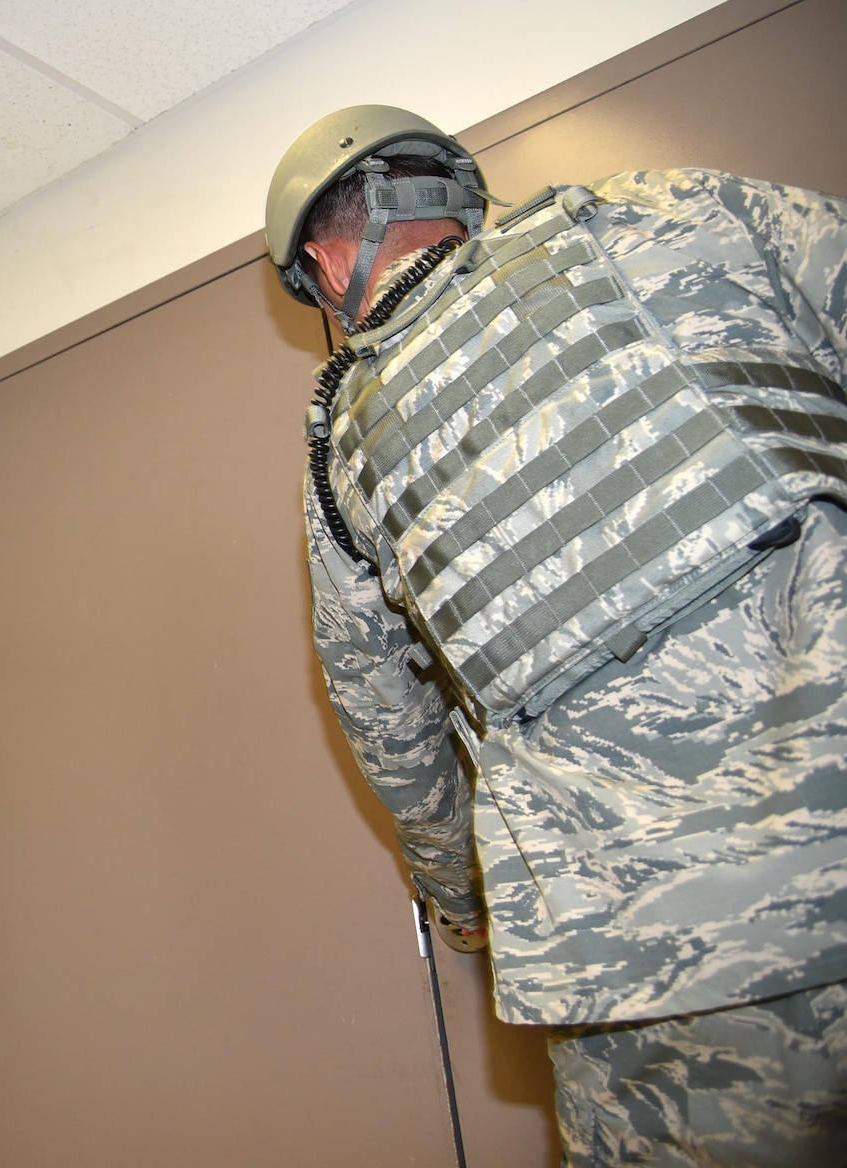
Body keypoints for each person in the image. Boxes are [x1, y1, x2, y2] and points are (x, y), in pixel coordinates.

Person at [266, 105, 847, 1165]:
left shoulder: (342, 449)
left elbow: (390, 733)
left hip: (659, 964)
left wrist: (460, 898)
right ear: (453, 190)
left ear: (319, 258)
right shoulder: (673, 206)